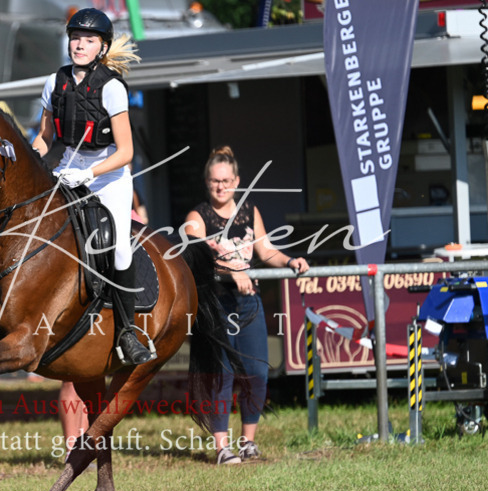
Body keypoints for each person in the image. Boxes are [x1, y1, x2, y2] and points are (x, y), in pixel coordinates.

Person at [31, 7, 154, 366]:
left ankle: (127, 333)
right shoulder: (54, 82)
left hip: (110, 172)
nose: (79, 45)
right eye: (75, 38)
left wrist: (91, 173)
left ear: (101, 47)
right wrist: (29, 158)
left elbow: (127, 151)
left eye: (88, 40)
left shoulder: (112, 87)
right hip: (68, 163)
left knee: (118, 249)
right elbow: (44, 138)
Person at [183, 146, 310, 465]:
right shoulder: (197, 217)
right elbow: (198, 252)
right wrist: (233, 269)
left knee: (256, 373)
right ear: (207, 182)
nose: (220, 186)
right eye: (214, 181)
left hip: (248, 303)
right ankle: (222, 447)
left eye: (226, 180)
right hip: (216, 304)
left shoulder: (249, 211)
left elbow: (265, 250)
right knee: (221, 374)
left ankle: (248, 442)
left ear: (237, 181)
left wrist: (290, 260)